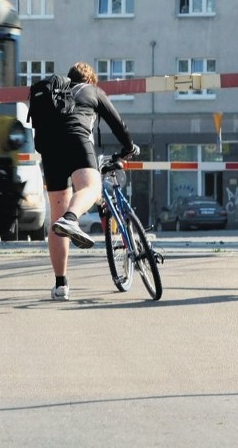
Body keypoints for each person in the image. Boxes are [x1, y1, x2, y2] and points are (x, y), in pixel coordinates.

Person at [36, 61, 138, 301]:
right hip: (76, 141)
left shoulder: (56, 95)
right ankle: (72, 220)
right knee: (91, 187)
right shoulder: (92, 91)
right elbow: (117, 123)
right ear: (90, 80)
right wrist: (129, 147)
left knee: (56, 217)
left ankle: (61, 285)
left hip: (50, 151)